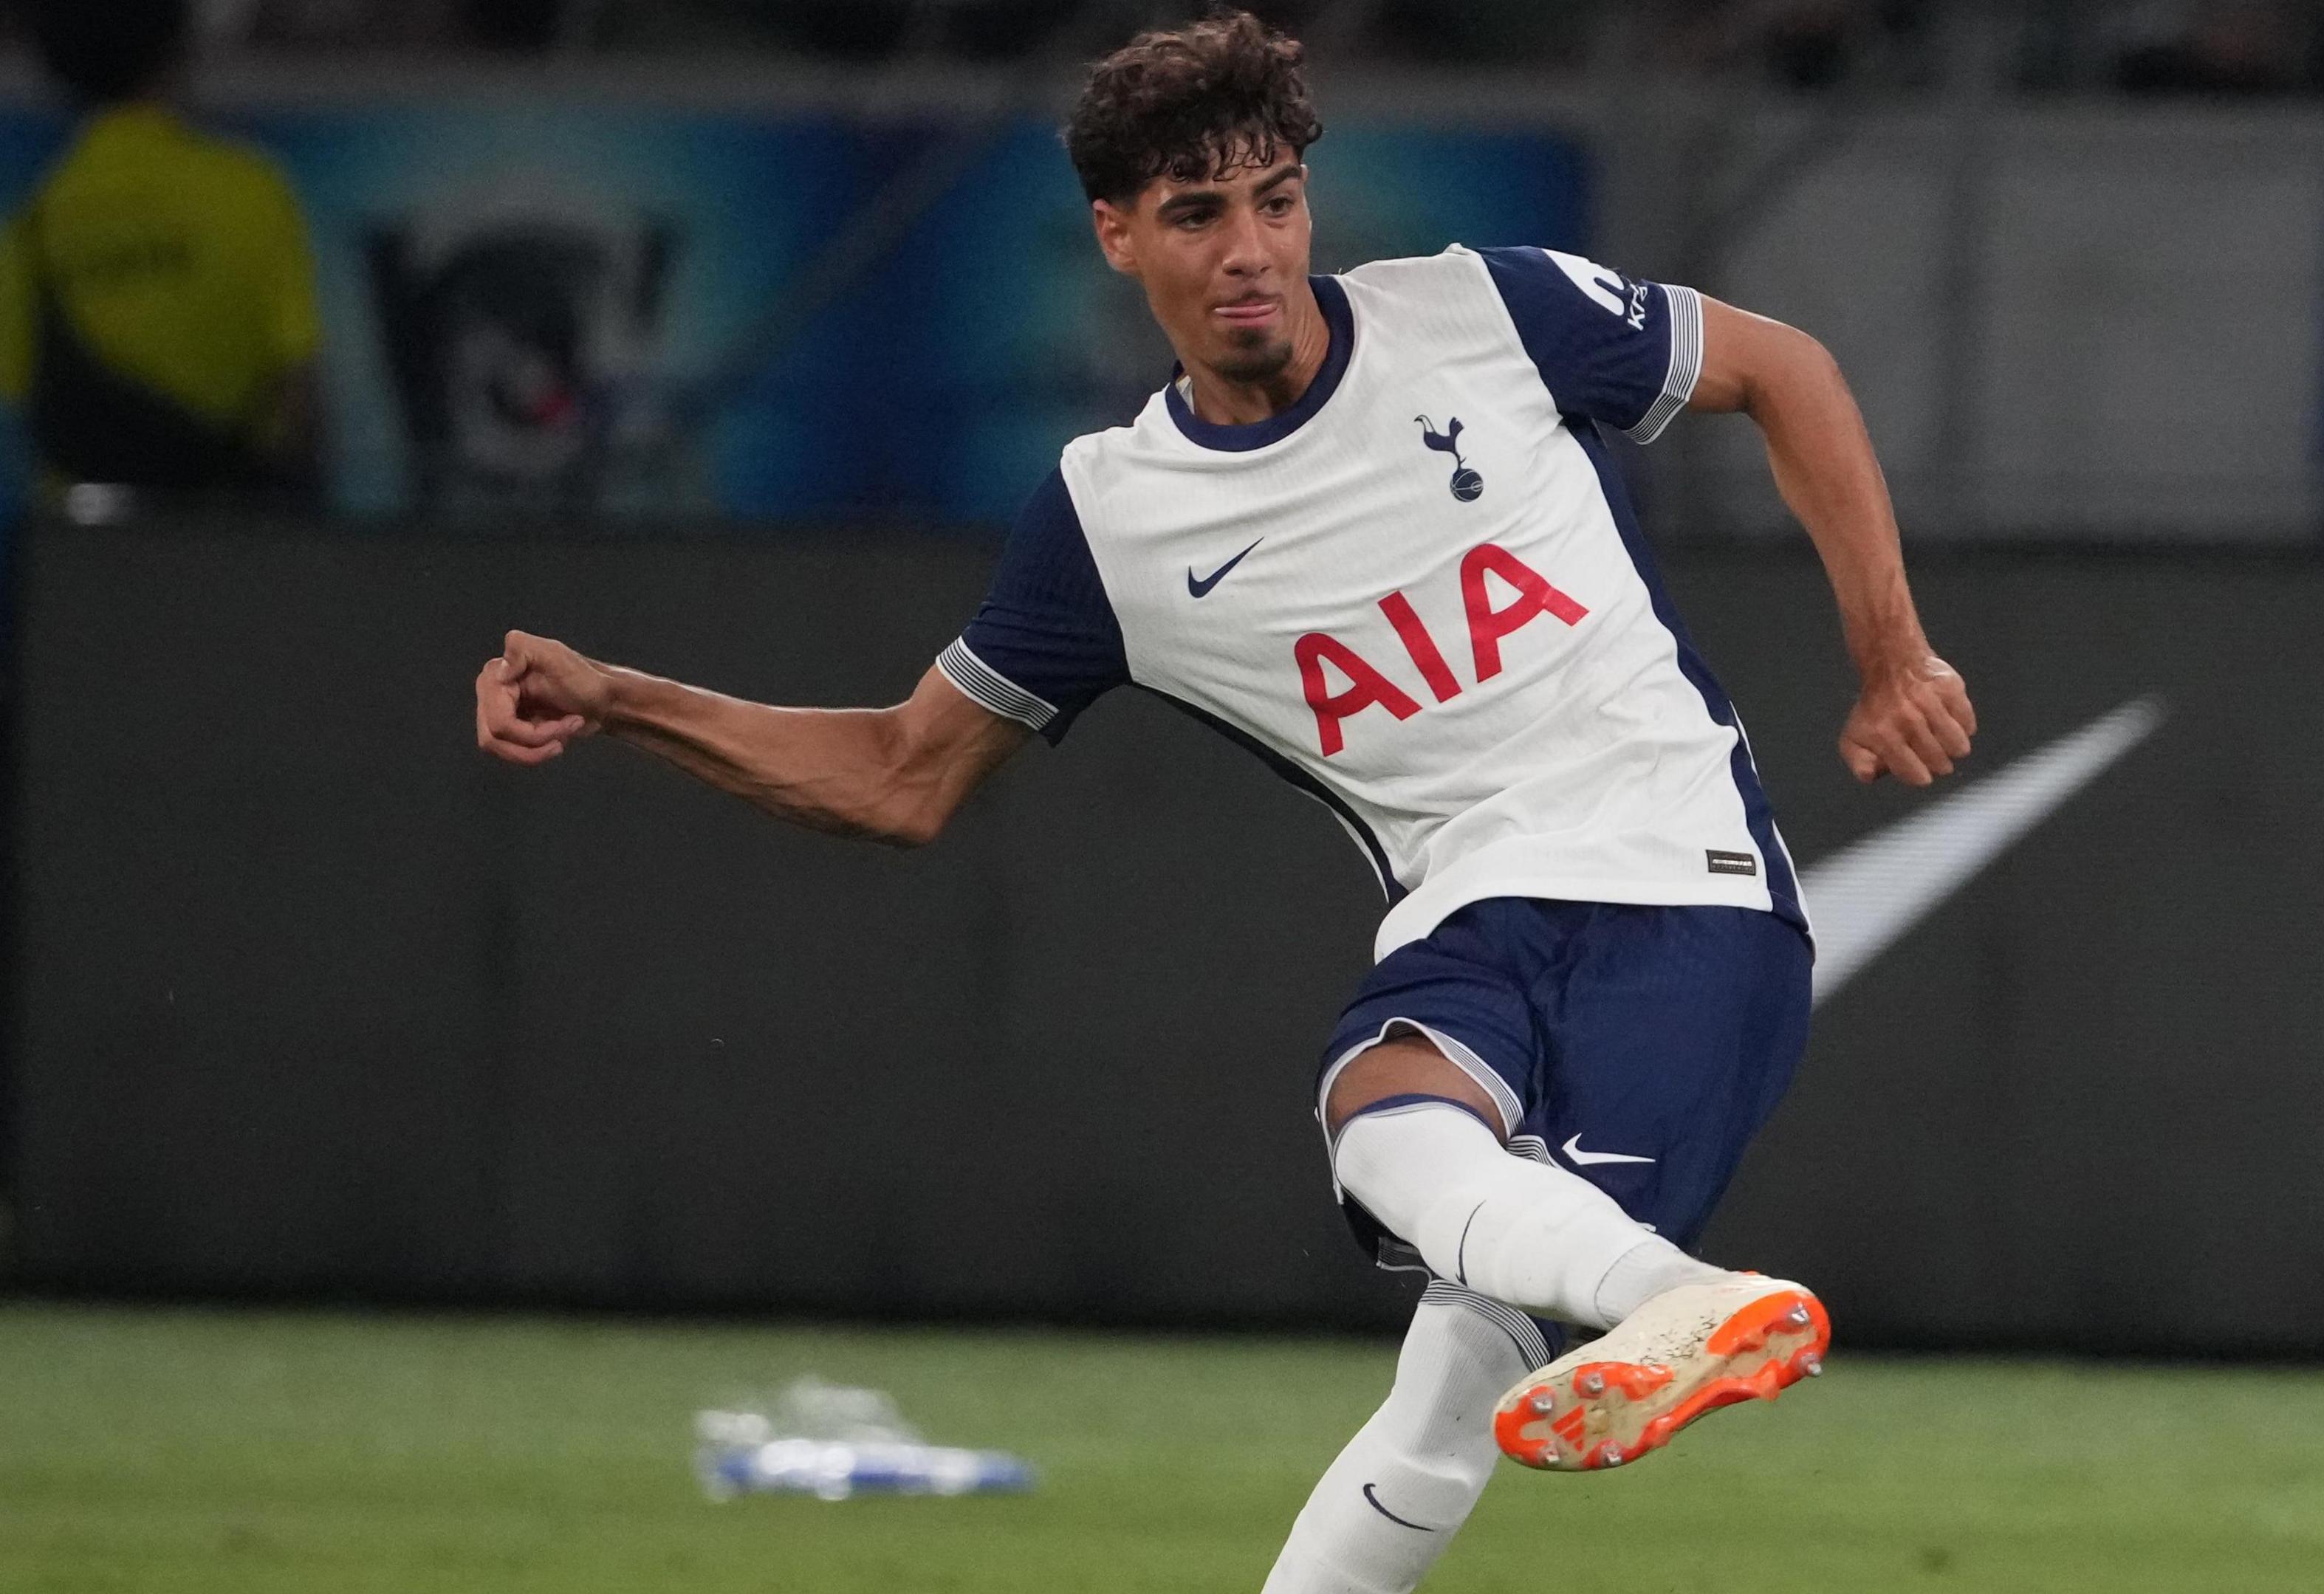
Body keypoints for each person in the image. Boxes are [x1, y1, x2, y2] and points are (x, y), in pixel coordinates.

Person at [473, 11, 1973, 1589]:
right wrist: (624, 697)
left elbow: (1783, 368)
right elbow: (900, 777)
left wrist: (1888, 651)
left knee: (1451, 1337)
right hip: (1473, 906)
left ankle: (1668, 1289)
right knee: (1404, 1212)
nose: (1250, 248)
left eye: (1275, 198)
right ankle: (1672, 1296)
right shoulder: (1114, 519)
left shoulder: (1486, 312)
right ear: (1118, 236)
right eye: (1197, 213)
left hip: (1695, 888)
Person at [0, 0, 324, 502]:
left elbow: (18, 402)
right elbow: (300, 401)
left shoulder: (32, 226)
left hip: (86, 549)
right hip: (226, 537)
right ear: (177, 50)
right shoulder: (251, 189)